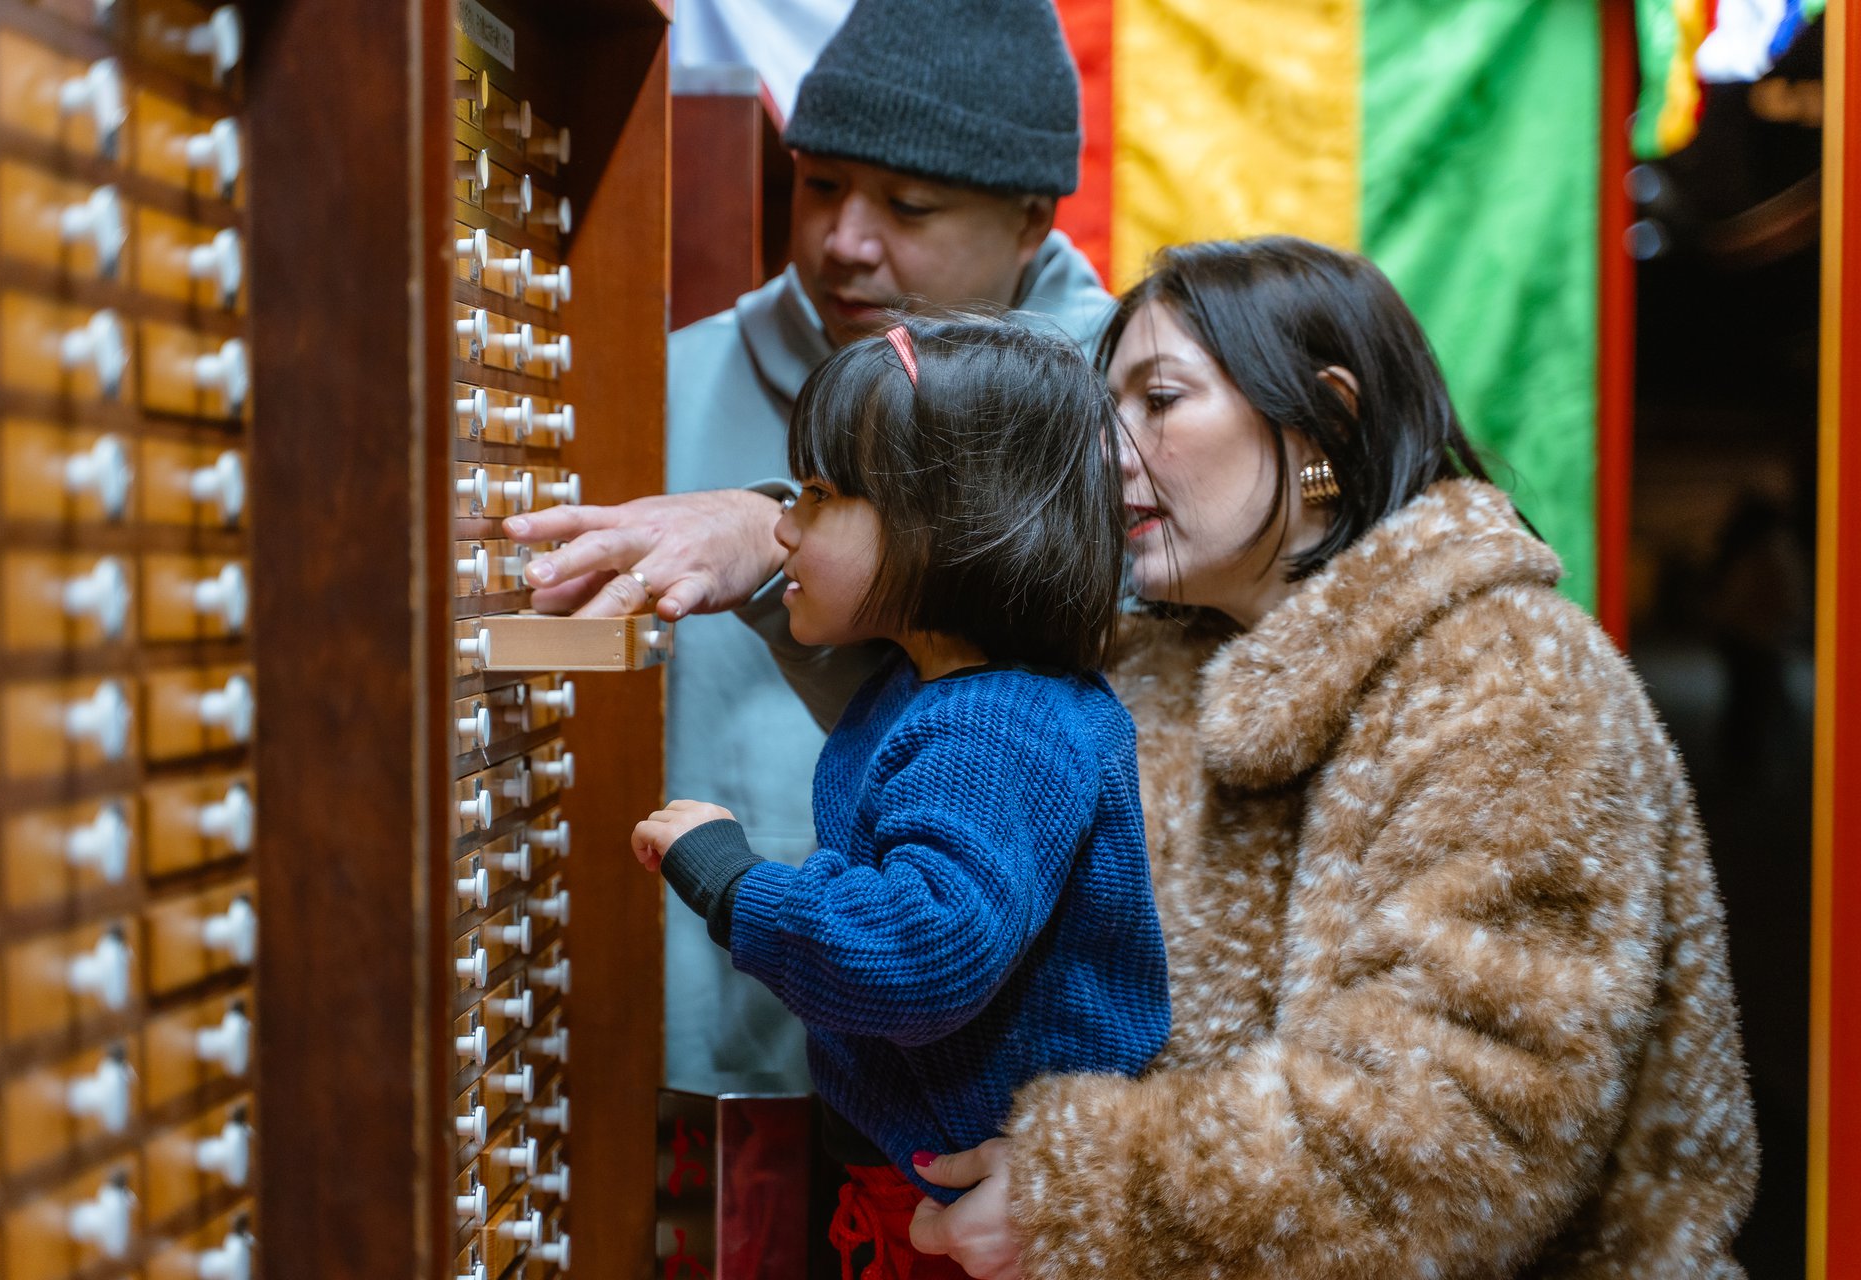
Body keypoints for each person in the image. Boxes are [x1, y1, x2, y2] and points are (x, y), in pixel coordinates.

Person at [536, 238, 1760, 1276]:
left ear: (1324, 424)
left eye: (1160, 400)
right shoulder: (1154, 656)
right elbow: (931, 710)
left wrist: (1089, 1192)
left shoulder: (1508, 682)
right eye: (1102, 402)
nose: (1107, 446)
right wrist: (768, 533)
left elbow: (1467, 1126)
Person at [510, 0, 1111, 1097]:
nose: (844, 240)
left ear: (1031, 221)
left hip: (981, 1092)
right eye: (821, 184)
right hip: (669, 1056)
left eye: (909, 205)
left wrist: (760, 526)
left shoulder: (1130, 401)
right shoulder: (661, 375)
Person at [629, 316, 1171, 1278]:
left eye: (821, 496)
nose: (783, 526)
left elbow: (924, 950)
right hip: (921, 1194)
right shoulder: (937, 689)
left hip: (985, 1231)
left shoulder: (995, 726)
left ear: (946, 523)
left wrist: (734, 883)